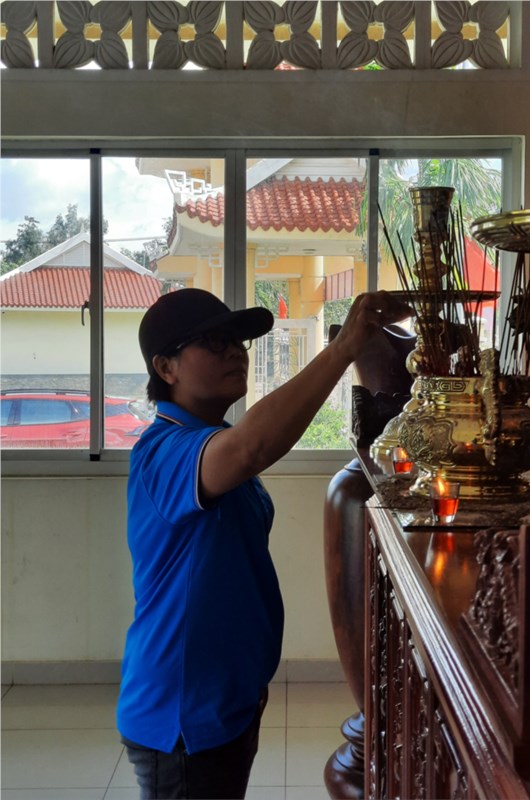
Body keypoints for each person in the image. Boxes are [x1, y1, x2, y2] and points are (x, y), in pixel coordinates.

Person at [116, 287, 412, 800]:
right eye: (215, 342)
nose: (235, 351)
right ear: (166, 368)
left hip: (228, 700)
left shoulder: (208, 441)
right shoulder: (164, 451)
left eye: (237, 340)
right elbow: (251, 447)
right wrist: (342, 350)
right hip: (183, 715)